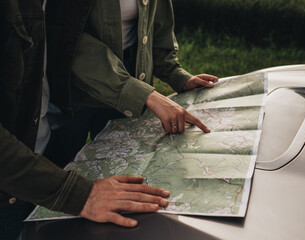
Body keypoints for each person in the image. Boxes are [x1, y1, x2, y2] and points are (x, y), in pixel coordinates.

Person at [0, 0, 218, 239]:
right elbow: (68, 41)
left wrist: (172, 72)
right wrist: (77, 193)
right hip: (15, 187)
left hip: (36, 160)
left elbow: (156, 22)